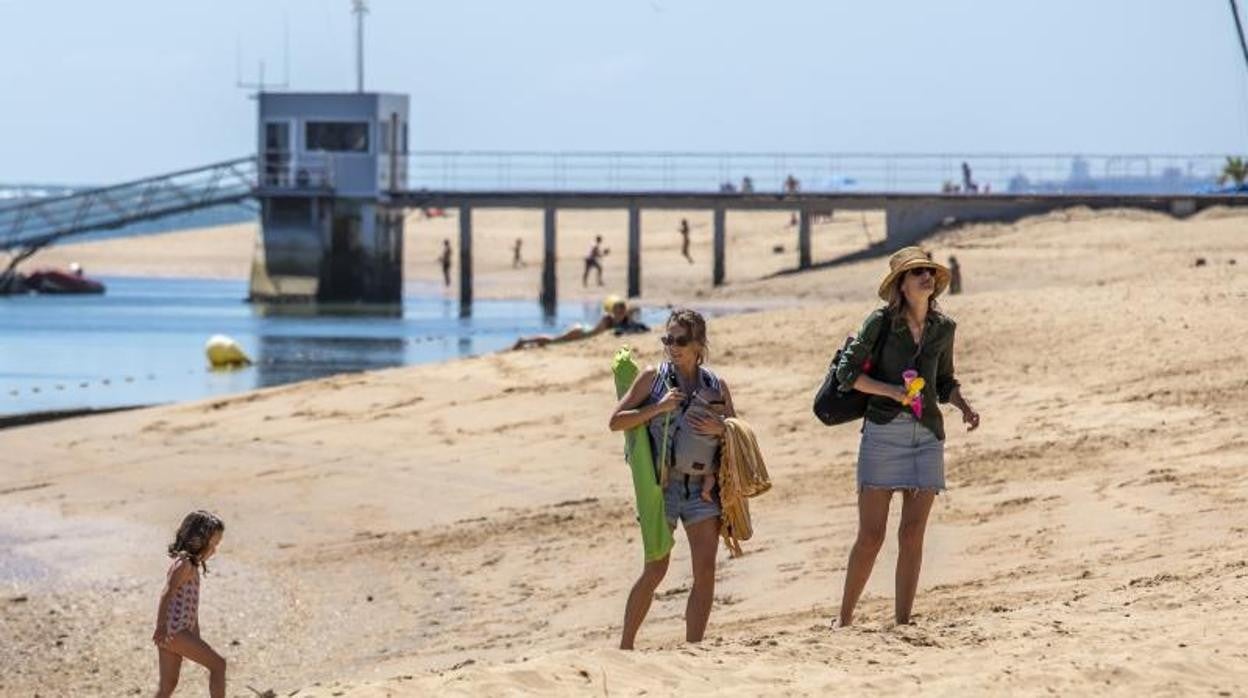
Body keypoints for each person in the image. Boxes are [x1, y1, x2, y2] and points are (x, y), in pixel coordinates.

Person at [832, 247, 979, 627]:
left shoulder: (943, 328)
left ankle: (903, 620)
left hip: (928, 434)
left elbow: (944, 380)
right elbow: (847, 373)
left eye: (929, 272)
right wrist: (891, 392)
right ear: (901, 283)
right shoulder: (880, 323)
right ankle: (844, 620)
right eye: (917, 273)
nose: (926, 278)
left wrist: (963, 404)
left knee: (912, 534)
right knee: (871, 537)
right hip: (883, 432)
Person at [609, 309, 736, 649]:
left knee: (705, 572)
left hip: (703, 491)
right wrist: (658, 408)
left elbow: (738, 434)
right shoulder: (653, 378)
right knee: (655, 569)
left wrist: (721, 428)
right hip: (662, 487)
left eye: (680, 340)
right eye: (668, 339)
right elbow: (616, 421)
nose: (672, 346)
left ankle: (694, 648)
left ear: (699, 344)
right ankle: (625, 648)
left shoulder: (716, 385)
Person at [153, 511, 227, 698]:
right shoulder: (184, 564)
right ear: (198, 539)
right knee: (219, 665)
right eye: (213, 543)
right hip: (174, 631)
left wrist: (196, 636)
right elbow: (167, 593)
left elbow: (190, 607)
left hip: (176, 631)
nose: (214, 549)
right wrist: (161, 626)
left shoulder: (191, 565)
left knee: (168, 685)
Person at [512, 295, 642, 350]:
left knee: (554, 343)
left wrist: (628, 313)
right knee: (554, 340)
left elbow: (630, 313)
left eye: (622, 309)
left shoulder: (620, 318)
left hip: (584, 330)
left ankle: (528, 345)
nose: (621, 311)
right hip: (580, 332)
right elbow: (618, 323)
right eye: (618, 309)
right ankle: (524, 340)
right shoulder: (608, 318)